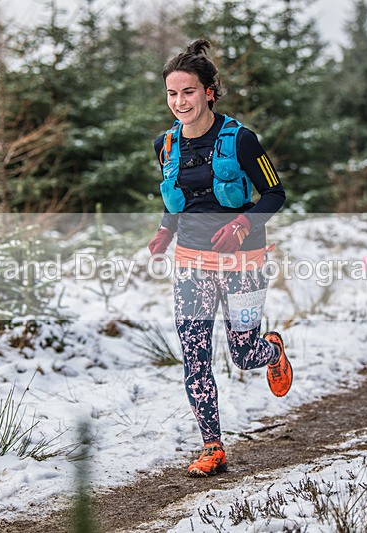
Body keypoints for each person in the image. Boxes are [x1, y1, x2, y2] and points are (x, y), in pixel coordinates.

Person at [147, 39, 293, 478]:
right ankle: (212, 446)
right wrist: (163, 230)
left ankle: (271, 351)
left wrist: (244, 224)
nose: (180, 102)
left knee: (242, 353)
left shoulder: (241, 140)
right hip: (191, 264)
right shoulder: (165, 145)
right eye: (172, 94)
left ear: (209, 92)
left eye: (188, 92)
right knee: (195, 355)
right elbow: (178, 200)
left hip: (243, 263)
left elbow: (276, 193)